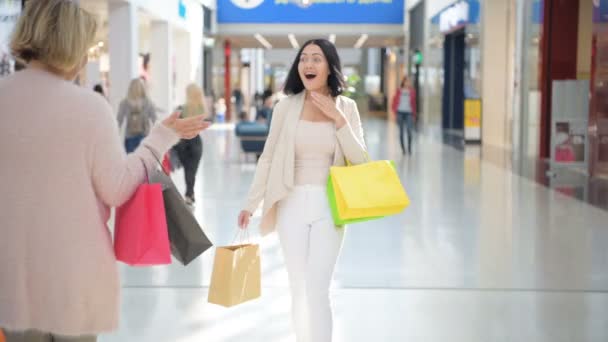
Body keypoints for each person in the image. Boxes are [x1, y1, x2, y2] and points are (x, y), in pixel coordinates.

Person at [0, 1, 210, 341]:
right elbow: (116, 188)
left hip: (11, 275)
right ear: (74, 46)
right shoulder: (88, 108)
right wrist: (159, 138)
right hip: (74, 277)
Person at [237, 38, 367, 342]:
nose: (308, 64)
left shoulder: (347, 107)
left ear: (329, 67)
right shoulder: (286, 107)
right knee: (297, 286)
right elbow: (268, 157)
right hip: (291, 203)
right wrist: (250, 203)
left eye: (316, 59)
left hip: (330, 205)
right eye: (304, 58)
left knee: (318, 288)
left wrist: (339, 121)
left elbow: (360, 159)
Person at [173, 83, 209, 206]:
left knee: (188, 170)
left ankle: (189, 194)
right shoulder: (201, 109)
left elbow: (175, 126)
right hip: (196, 143)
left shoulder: (180, 109)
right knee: (192, 170)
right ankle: (189, 194)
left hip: (183, 143)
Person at [117, 78, 157, 153]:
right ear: (143, 88)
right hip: (145, 137)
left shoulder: (124, 103)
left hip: (129, 138)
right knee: (145, 163)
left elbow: (119, 121)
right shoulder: (148, 103)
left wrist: (115, 137)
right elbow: (155, 120)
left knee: (132, 162)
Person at [391, 76, 417, 155]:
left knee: (409, 131)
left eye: (409, 81)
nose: (407, 83)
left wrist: (414, 114)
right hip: (400, 113)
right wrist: (394, 111)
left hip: (409, 113)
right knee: (401, 132)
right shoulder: (399, 91)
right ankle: (403, 149)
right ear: (403, 82)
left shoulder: (412, 92)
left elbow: (414, 104)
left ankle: (409, 148)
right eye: (406, 81)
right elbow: (394, 101)